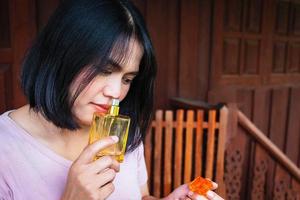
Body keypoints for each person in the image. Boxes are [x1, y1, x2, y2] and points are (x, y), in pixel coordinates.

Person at [0, 0, 223, 199]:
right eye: (104, 70)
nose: (116, 92)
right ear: (62, 56)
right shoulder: (6, 148)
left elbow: (140, 195)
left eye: (127, 79)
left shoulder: (123, 132)